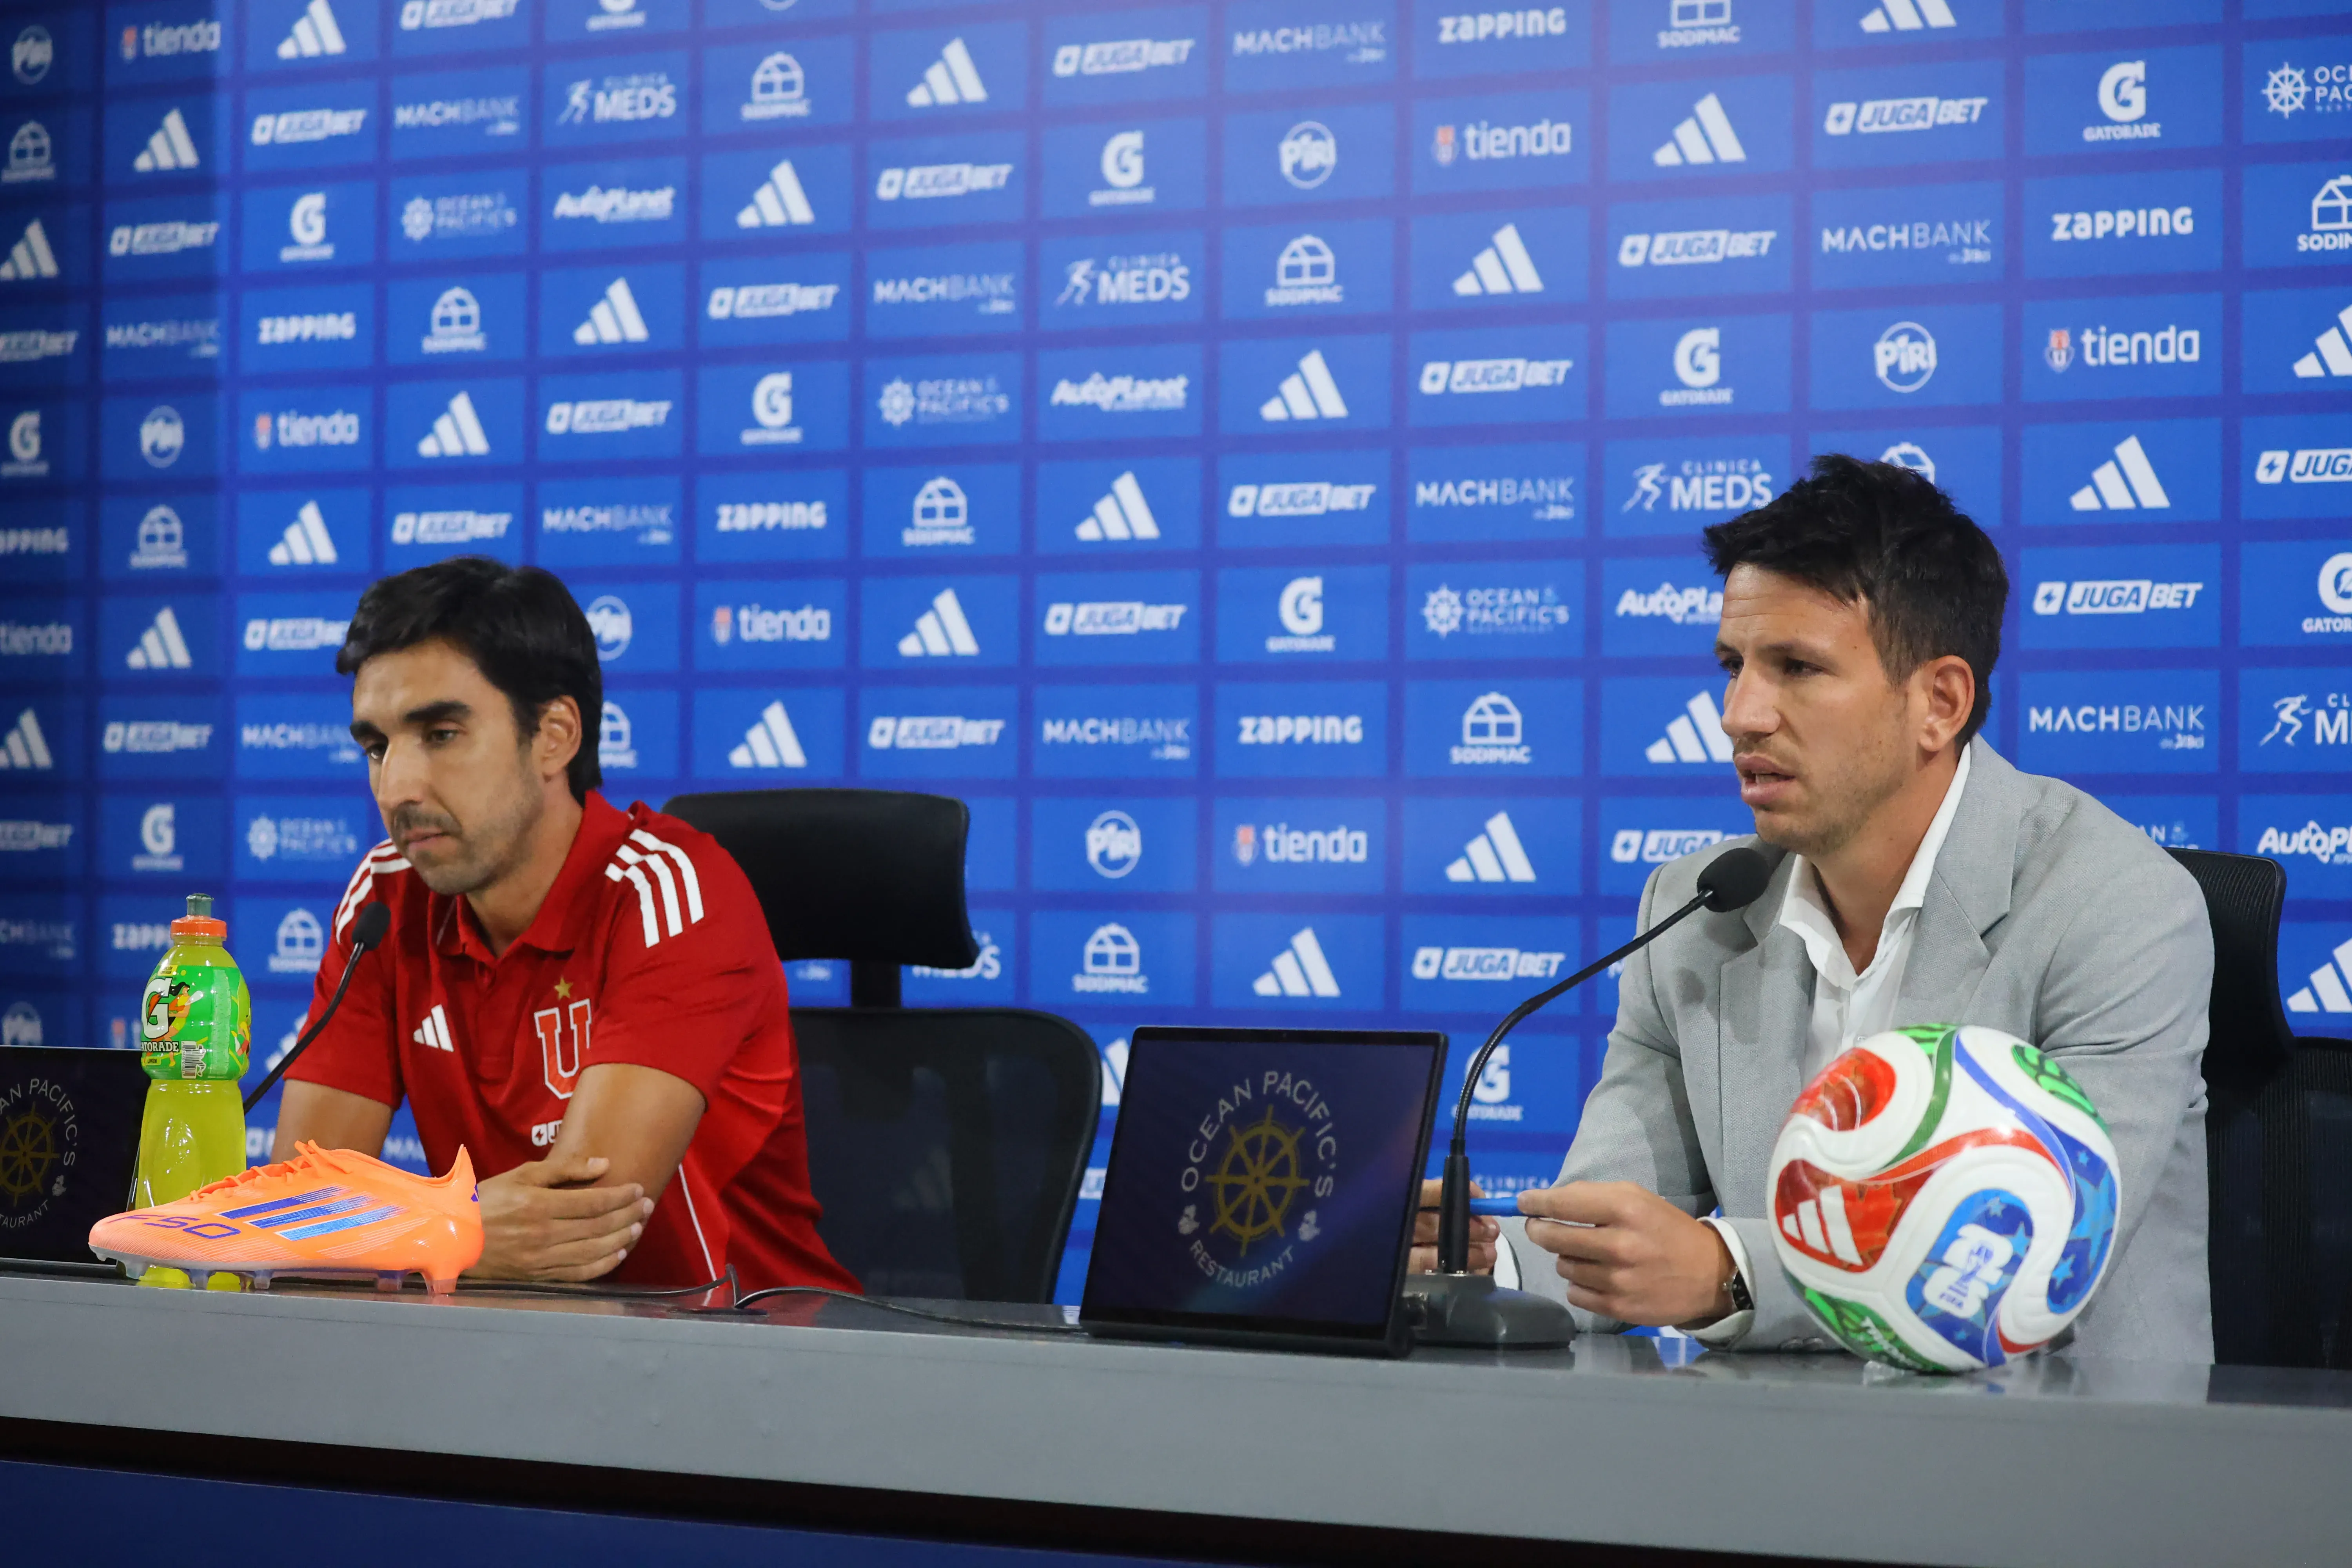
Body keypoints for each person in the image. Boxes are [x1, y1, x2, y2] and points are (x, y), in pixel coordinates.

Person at [1414, 455, 2213, 1358]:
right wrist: (1477, 1267)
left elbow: (2027, 1249)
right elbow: (1619, 1242)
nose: (1740, 713)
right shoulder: (1696, 910)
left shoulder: (2116, 905)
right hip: (1777, 1465)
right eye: (1734, 664)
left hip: (2073, 1462)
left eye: (1796, 667)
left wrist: (1727, 1266)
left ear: (1939, 702)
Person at [273, 557, 860, 1294]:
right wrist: (456, 1233)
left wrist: (405, 1232)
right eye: (377, 747)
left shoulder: (674, 894)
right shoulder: (385, 902)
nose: (397, 788)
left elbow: (577, 1235)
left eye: (443, 734)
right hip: (515, 1352)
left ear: (554, 735)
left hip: (748, 1360)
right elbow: (293, 1209)